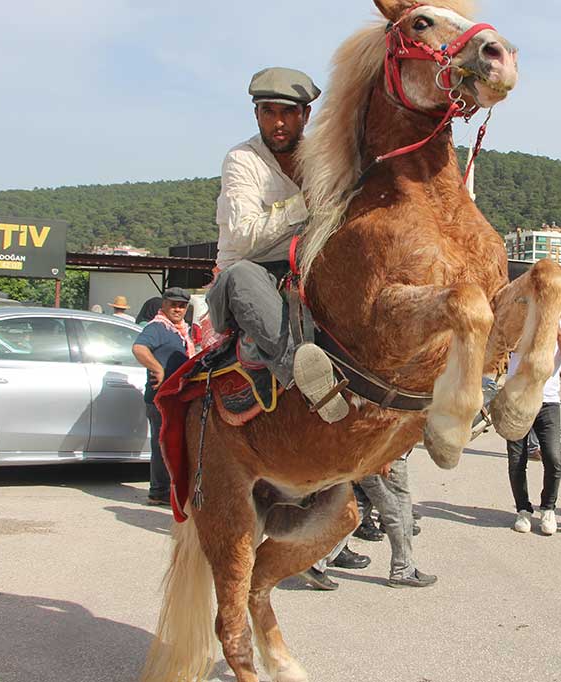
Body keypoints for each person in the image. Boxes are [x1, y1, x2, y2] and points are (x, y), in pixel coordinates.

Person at [205, 66, 347, 424]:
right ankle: (308, 381)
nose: (278, 122)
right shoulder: (242, 160)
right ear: (256, 114)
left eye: (288, 112)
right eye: (268, 112)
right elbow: (244, 239)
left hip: (305, 272)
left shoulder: (325, 158)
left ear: (306, 115)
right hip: (250, 279)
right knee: (241, 276)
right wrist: (303, 203)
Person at [507, 315, 561, 536]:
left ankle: (548, 507)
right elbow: (509, 346)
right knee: (517, 459)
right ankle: (523, 510)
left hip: (548, 401)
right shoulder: (518, 323)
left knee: (553, 457)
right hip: (517, 398)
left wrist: (553, 327)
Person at [132, 288, 197, 506]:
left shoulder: (181, 330)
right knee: (163, 446)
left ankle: (164, 490)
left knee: (170, 444)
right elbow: (139, 348)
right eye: (173, 305)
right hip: (161, 398)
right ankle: (158, 492)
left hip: (176, 397)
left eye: (182, 306)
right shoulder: (158, 327)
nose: (178, 309)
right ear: (164, 305)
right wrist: (157, 368)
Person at [358, 452, 437, 588]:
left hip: (371, 456)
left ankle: (317, 562)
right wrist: (386, 456)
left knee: (359, 509)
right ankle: (402, 570)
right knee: (399, 510)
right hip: (386, 456)